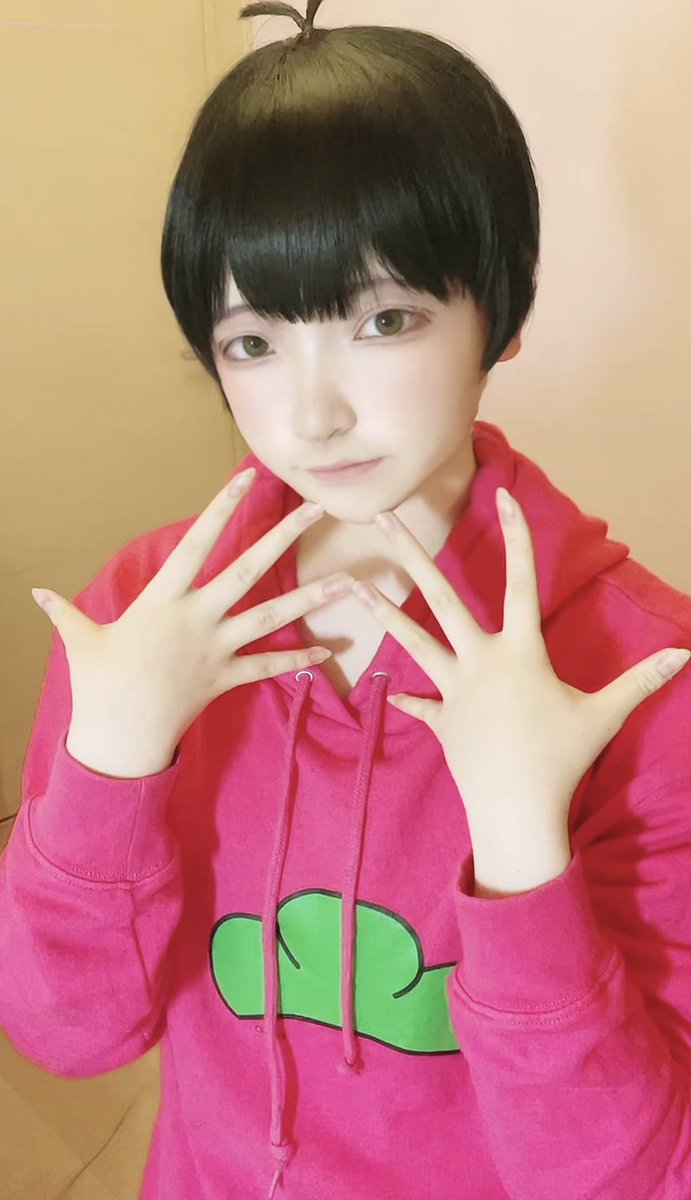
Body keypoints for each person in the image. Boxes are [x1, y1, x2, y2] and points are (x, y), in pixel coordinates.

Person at [2, 3, 691, 1197]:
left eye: (384, 320)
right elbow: (72, 1038)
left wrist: (521, 850)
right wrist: (110, 768)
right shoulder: (143, 618)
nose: (312, 416)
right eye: (253, 343)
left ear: (502, 307)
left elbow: (631, 1177)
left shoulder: (635, 677)